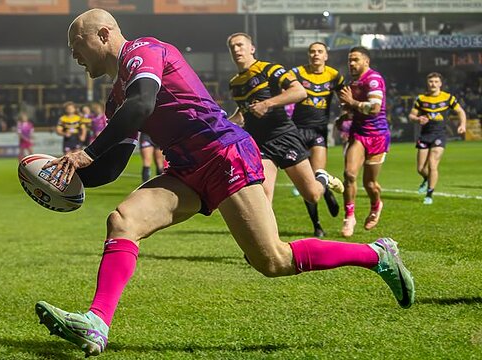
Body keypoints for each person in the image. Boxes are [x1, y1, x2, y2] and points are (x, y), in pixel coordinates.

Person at [35, 9, 415, 357]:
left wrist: (83, 153)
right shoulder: (115, 98)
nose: (74, 55)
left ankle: (378, 255)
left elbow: (143, 105)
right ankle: (96, 323)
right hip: (186, 169)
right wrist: (65, 177)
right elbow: (114, 164)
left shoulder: (143, 50)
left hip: (224, 153)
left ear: (103, 34)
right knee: (123, 221)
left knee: (272, 260)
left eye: (76, 45)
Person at [226, 33, 343, 229]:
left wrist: (267, 104)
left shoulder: (270, 69)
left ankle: (322, 176)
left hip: (283, 136)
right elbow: (242, 113)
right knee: (263, 197)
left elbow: (299, 92)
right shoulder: (234, 83)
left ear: (252, 48)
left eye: (240, 45)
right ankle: (268, 247)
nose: (236, 50)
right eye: (232, 47)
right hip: (259, 143)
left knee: (312, 194)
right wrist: (223, 125)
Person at [289, 42, 344, 237]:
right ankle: (317, 225)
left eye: (320, 51)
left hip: (319, 132)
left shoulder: (334, 75)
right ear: (308, 55)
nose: (316, 55)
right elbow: (282, 87)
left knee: (318, 172)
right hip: (297, 132)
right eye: (312, 51)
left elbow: (345, 98)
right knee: (308, 182)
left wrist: (345, 117)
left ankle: (326, 190)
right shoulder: (296, 73)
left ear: (326, 55)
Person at [337, 46, 389, 237]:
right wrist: (344, 117)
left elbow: (374, 109)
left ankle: (376, 205)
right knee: (349, 175)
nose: (351, 63)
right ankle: (349, 217)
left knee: (370, 184)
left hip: (377, 136)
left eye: (355, 60)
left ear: (366, 61)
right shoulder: (354, 82)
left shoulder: (373, 79)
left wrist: (352, 103)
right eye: (349, 60)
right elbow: (354, 109)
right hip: (358, 134)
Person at [409, 72, 466, 205]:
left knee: (433, 164)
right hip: (424, 135)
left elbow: (460, 111)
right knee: (421, 168)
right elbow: (411, 116)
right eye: (431, 82)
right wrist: (418, 119)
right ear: (427, 83)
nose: (433, 84)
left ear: (440, 83)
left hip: (439, 135)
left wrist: (462, 124)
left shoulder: (448, 98)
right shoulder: (421, 99)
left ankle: (429, 194)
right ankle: (426, 179)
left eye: (436, 81)